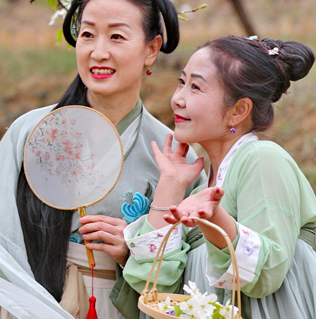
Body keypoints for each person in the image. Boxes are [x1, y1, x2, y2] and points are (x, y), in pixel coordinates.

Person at [0, 0, 205, 319]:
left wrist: (133, 248)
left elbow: (194, 270)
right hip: (29, 303)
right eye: (88, 35)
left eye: (116, 37)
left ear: (152, 48)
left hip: (117, 306)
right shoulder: (31, 131)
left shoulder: (175, 157)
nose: (98, 52)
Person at [122, 36, 316, 319]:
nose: (177, 98)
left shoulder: (262, 159)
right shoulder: (203, 181)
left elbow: (267, 275)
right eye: (181, 82)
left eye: (196, 87)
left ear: (238, 111)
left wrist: (216, 219)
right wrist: (171, 186)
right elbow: (153, 285)